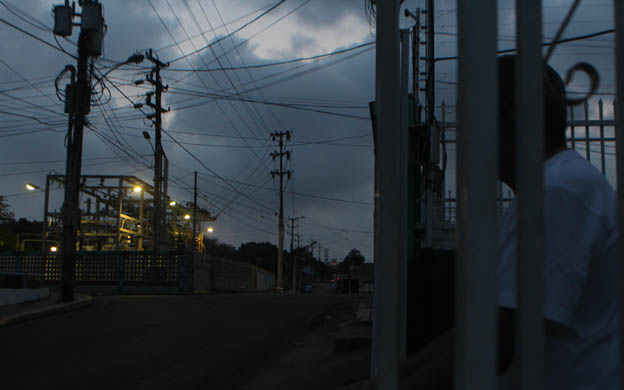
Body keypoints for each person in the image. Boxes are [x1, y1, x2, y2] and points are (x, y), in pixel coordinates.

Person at [361, 55, 620, 389]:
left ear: (506, 118)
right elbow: (482, 327)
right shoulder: (555, 188)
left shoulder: (560, 193)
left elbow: (498, 340)